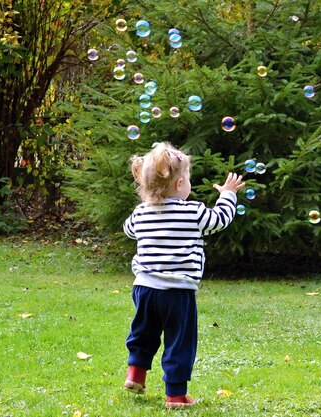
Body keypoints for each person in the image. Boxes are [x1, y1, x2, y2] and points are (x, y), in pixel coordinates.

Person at [122, 142, 245, 409]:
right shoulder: (193, 211)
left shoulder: (141, 212)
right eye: (188, 178)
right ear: (179, 185)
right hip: (178, 291)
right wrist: (228, 194)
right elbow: (220, 219)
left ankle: (136, 374)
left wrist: (148, 205)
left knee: (144, 331)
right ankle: (176, 396)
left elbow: (129, 230)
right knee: (179, 341)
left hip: (144, 288)